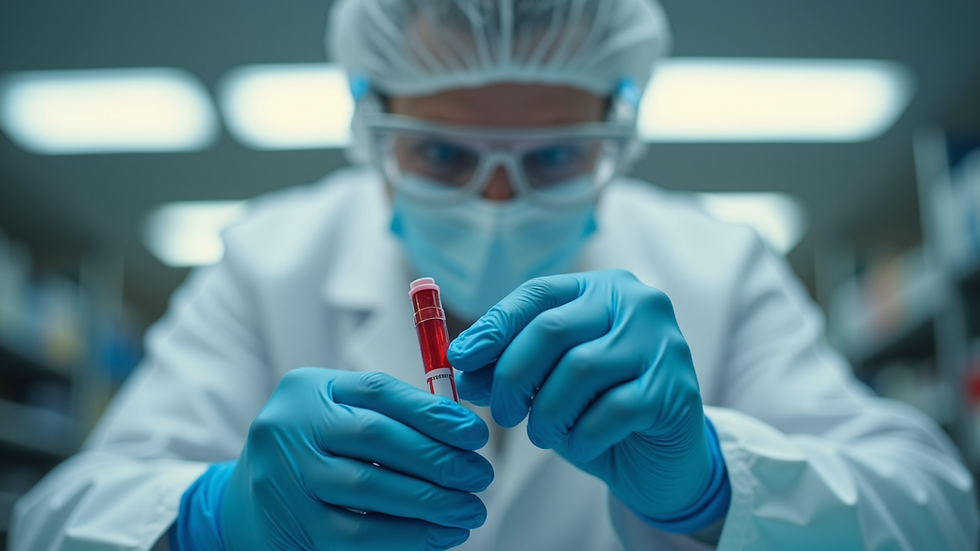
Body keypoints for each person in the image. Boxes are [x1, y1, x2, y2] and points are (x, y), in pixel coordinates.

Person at [10, 1, 979, 549]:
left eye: (554, 157)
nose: (496, 200)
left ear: (620, 128)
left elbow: (936, 506)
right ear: (368, 123)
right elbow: (57, 518)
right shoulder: (270, 258)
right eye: (440, 155)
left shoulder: (719, 266)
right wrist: (210, 517)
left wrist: (714, 482)